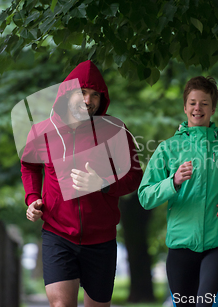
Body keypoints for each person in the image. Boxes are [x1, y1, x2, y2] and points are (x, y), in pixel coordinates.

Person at [21, 60, 142, 307]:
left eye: (95, 95)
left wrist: (104, 183)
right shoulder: (42, 131)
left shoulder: (116, 130)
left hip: (101, 238)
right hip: (57, 233)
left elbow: (135, 177)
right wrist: (33, 197)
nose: (88, 100)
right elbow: (29, 165)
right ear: (67, 94)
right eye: (82, 93)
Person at [138, 76, 218, 307]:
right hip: (180, 243)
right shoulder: (167, 148)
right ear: (184, 107)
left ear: (213, 108)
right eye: (192, 102)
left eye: (204, 103)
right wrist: (173, 181)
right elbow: (145, 196)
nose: (197, 108)